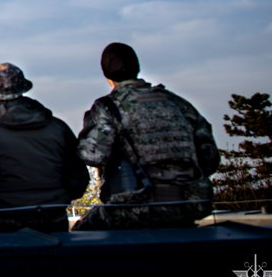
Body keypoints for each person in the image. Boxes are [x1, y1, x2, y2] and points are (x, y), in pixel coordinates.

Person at [74, 42, 219, 231]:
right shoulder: (178, 103)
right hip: (191, 204)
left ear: (107, 75)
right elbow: (210, 159)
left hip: (136, 208)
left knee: (81, 233)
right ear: (138, 68)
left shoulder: (109, 108)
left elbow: (92, 155)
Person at [0, 62, 88, 233]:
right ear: (23, 86)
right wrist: (57, 201)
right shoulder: (58, 128)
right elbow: (78, 178)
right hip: (53, 219)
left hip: (4, 220)